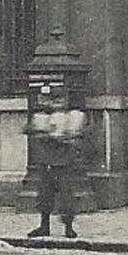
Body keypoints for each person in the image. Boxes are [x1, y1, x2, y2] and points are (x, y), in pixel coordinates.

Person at [24, 84, 86, 239]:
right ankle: (44, 226)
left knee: (66, 197)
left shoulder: (72, 117)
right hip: (46, 162)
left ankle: (68, 228)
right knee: (44, 195)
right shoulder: (42, 117)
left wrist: (63, 136)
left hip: (64, 163)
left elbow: (77, 137)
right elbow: (31, 131)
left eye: (59, 99)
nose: (54, 103)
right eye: (51, 99)